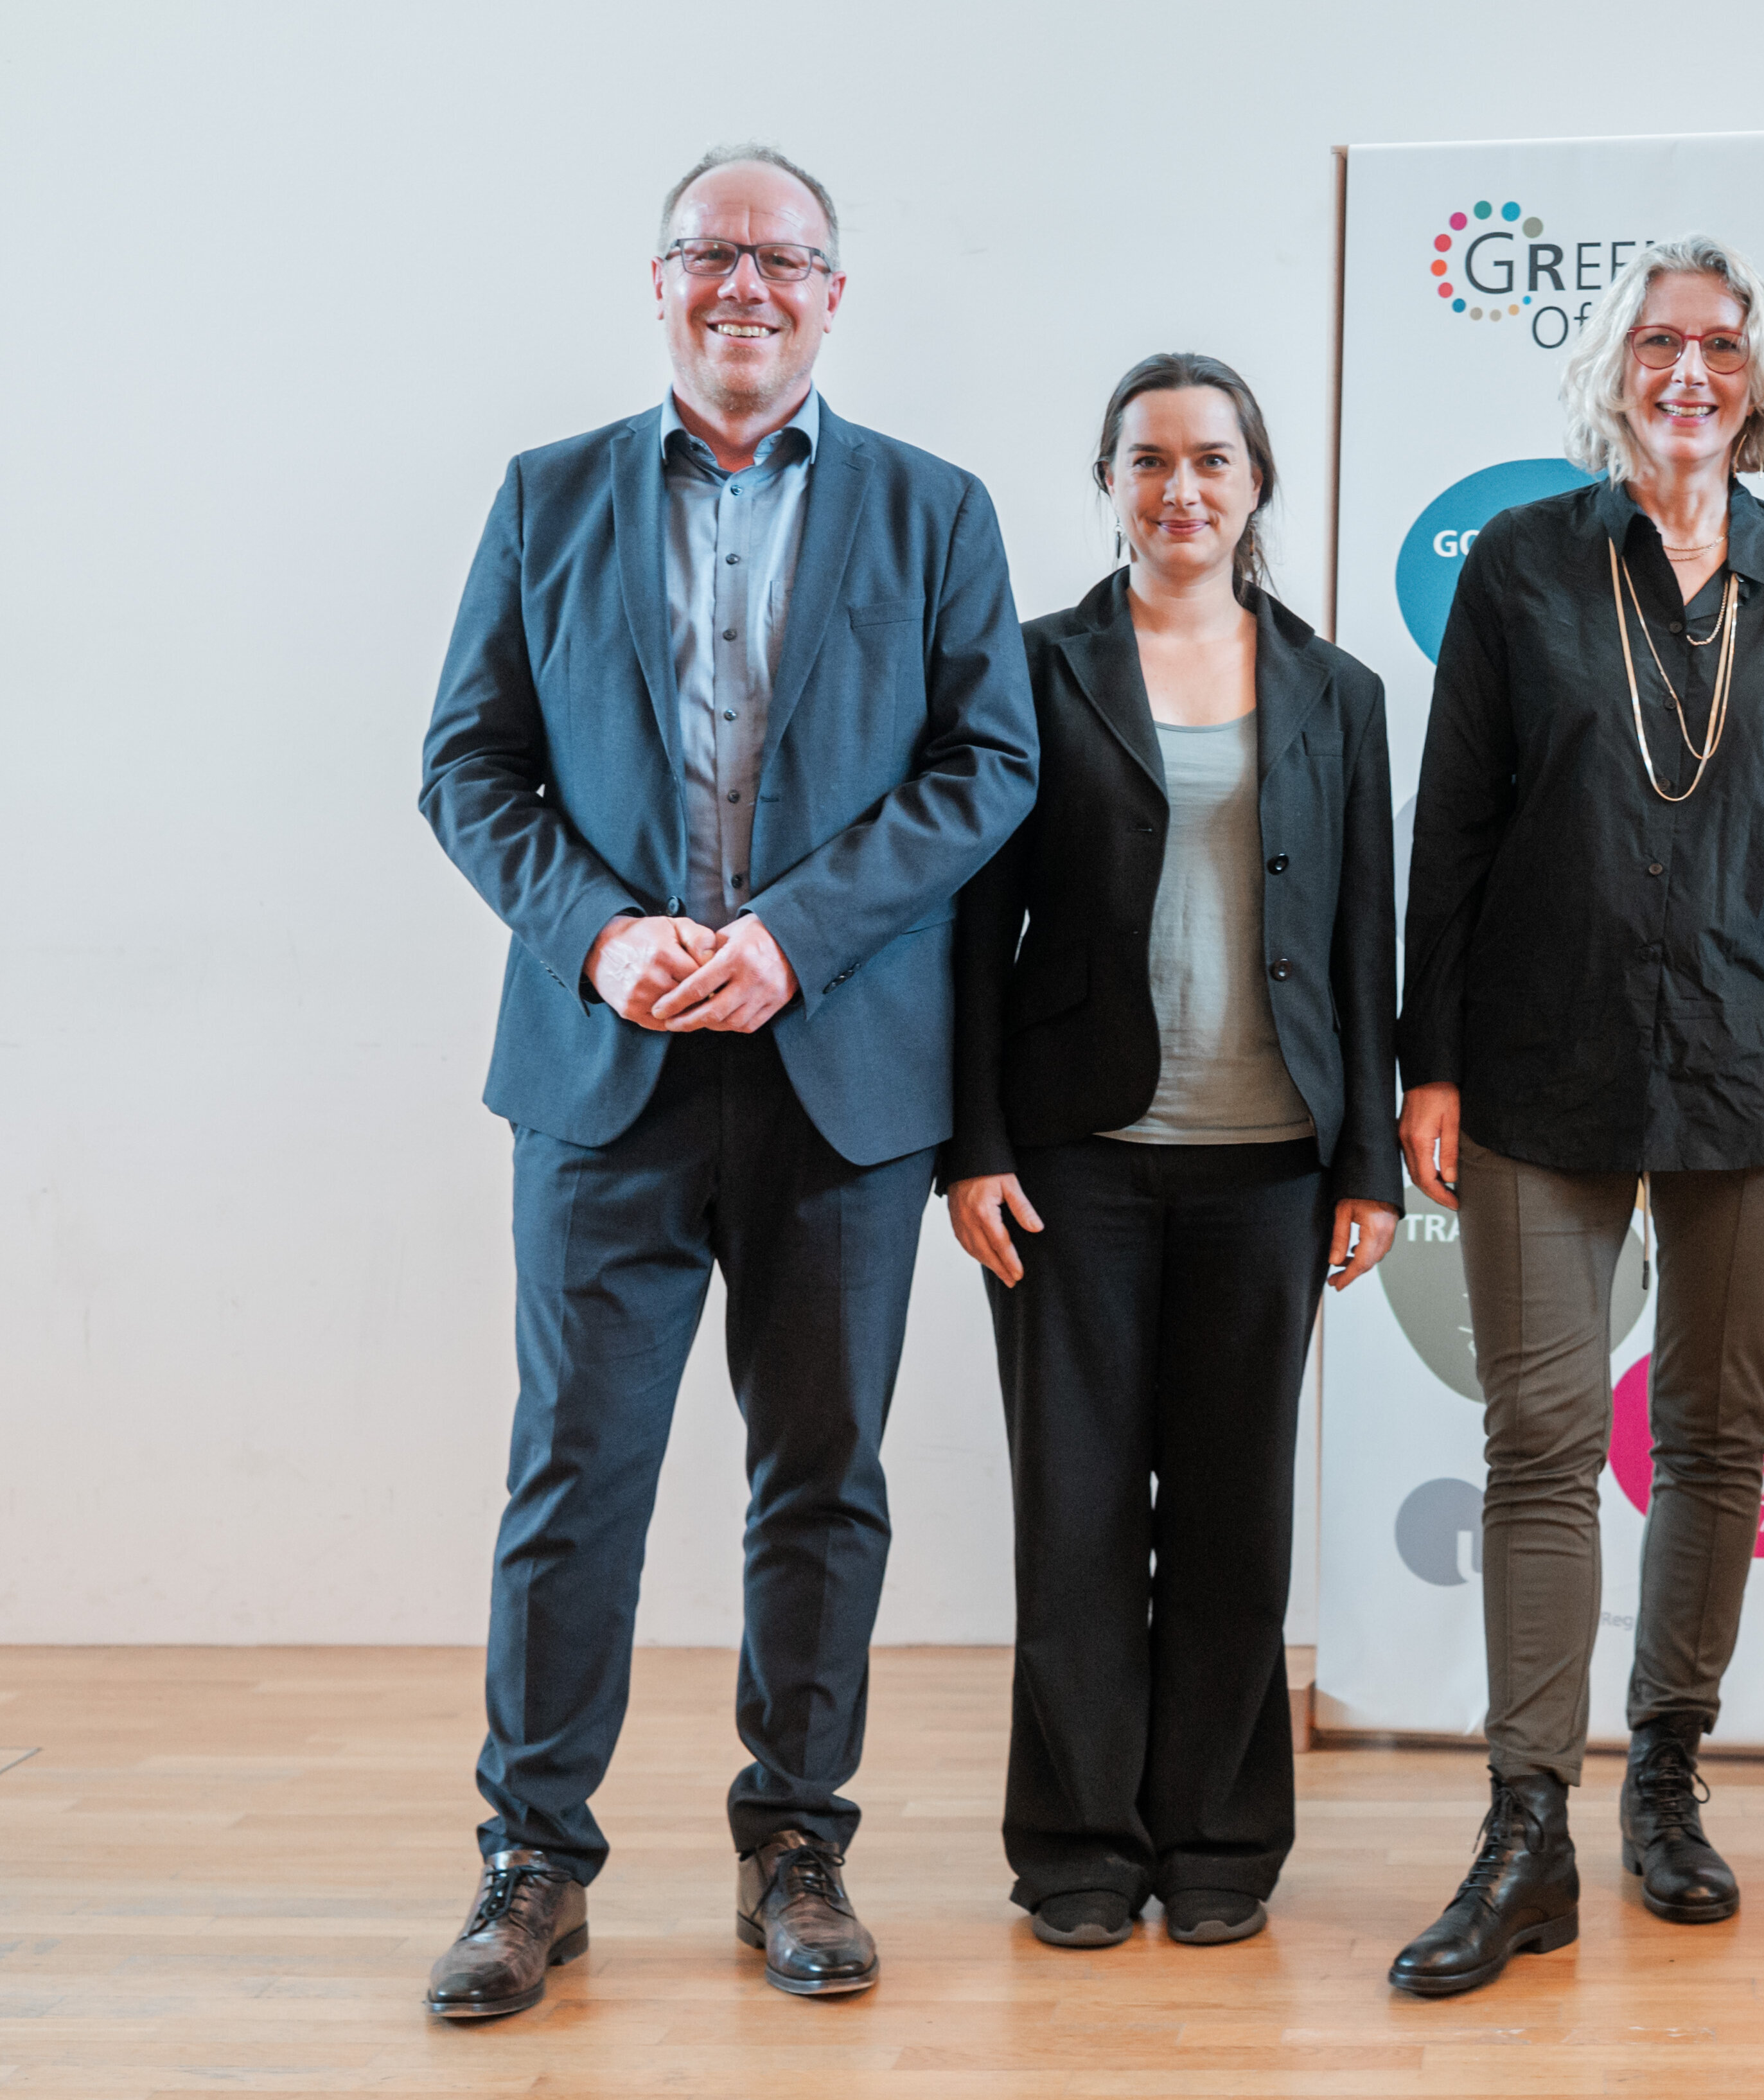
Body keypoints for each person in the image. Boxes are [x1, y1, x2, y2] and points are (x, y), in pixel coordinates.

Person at [413, 143, 1036, 2016]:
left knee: (820, 1475)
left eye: (783, 258)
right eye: (712, 252)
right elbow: (467, 765)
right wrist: (600, 936)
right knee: (572, 1471)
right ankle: (533, 1859)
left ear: (834, 295)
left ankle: (797, 1845)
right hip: (603, 1068)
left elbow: (987, 766)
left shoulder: (935, 508)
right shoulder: (549, 496)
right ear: (661, 279)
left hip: (837, 1076)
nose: (744, 283)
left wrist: (791, 937)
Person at [1389, 233, 1764, 1995]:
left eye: (1721, 346)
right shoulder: (1521, 565)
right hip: (1538, 1056)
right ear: (1615, 370)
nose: (1690, 372)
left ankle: (1665, 1776)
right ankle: (1524, 1822)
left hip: (1761, 1054)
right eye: (1659, 343)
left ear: (1759, 379)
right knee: (1538, 1432)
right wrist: (1428, 1060)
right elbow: (1451, 823)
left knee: (1715, 1432)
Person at [942, 354, 1400, 1954]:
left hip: (1269, 1166)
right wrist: (971, 1144)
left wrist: (1367, 1163)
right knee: (1072, 1518)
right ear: (1110, 483)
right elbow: (969, 930)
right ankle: (1078, 1843)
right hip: (1070, 1161)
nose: (1181, 489)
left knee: (1232, 1521)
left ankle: (1219, 1840)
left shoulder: (1339, 692)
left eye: (1212, 459)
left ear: (1257, 482)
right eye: (1149, 460)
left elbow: (1362, 935)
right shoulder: (1028, 670)